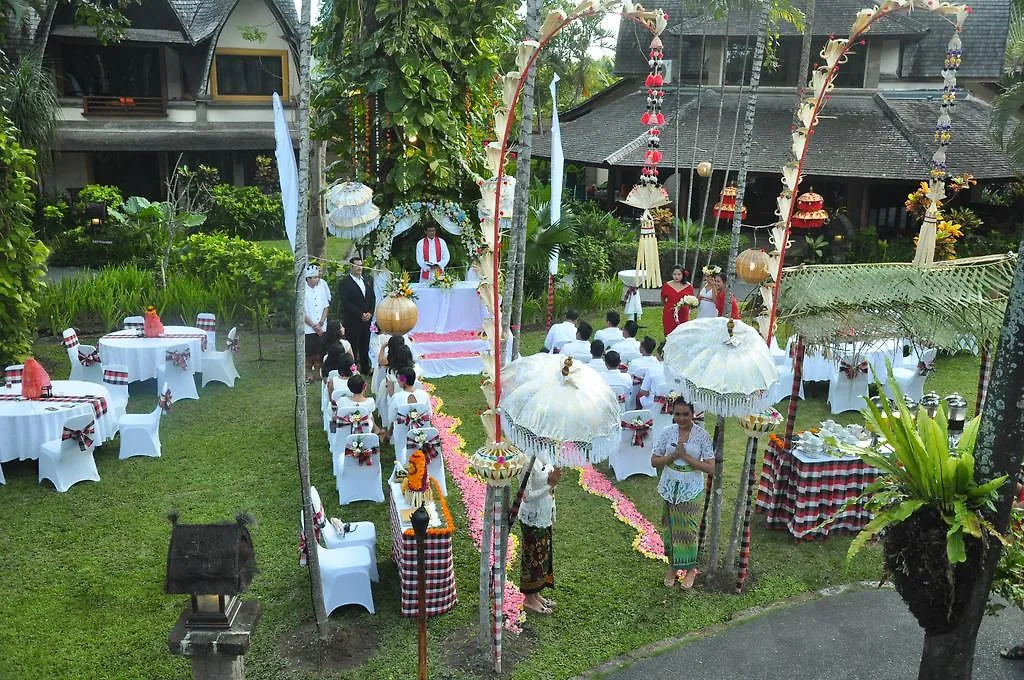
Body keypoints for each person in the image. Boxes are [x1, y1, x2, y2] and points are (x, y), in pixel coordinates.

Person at [651, 399, 715, 590]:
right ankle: (673, 566)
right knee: (670, 530)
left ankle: (689, 569)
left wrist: (686, 457)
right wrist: (672, 457)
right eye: (677, 414)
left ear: (693, 413)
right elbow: (654, 461)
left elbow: (711, 468)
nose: (681, 418)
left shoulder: (702, 436)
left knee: (688, 530)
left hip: (691, 488)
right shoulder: (666, 432)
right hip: (670, 487)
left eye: (685, 414)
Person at [519, 457, 562, 615]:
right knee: (533, 558)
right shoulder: (526, 461)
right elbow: (526, 496)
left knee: (542, 556)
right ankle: (529, 600)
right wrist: (550, 484)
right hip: (532, 517)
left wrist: (553, 477)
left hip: (545, 513)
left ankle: (535, 595)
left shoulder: (545, 453)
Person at [337, 256, 375, 375]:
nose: (360, 268)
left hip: (366, 319)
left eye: (361, 265)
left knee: (365, 345)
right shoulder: (345, 283)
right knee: (353, 345)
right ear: (351, 266)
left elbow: (372, 298)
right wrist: (360, 314)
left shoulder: (366, 280)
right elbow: (346, 302)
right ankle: (352, 368)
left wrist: (370, 312)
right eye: (357, 265)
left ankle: (365, 368)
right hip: (353, 320)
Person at [302, 264, 331, 384]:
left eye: (317, 277)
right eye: (314, 278)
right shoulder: (302, 288)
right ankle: (309, 375)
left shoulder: (322, 286)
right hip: (308, 327)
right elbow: (301, 311)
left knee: (320, 351)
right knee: (309, 352)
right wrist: (313, 325)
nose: (317, 279)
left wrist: (321, 323)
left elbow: (326, 306)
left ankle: (319, 373)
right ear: (308, 279)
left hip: (321, 325)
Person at [661, 266, 695, 336]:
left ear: (683, 275)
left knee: (682, 333)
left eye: (679, 274)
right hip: (669, 313)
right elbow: (662, 299)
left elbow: (692, 301)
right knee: (669, 332)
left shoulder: (689, 286)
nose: (676, 276)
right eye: (674, 274)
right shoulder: (667, 285)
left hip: (683, 313)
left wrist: (688, 309)